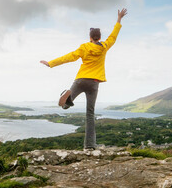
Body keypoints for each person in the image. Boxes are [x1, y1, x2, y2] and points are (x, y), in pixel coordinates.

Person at [40, 8, 127, 150]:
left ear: (90, 37)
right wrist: (119, 19)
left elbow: (69, 56)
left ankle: (66, 98)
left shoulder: (84, 47)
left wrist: (51, 63)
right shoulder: (104, 46)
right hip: (94, 83)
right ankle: (89, 146)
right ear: (99, 37)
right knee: (90, 114)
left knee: (65, 105)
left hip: (80, 80)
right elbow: (114, 36)